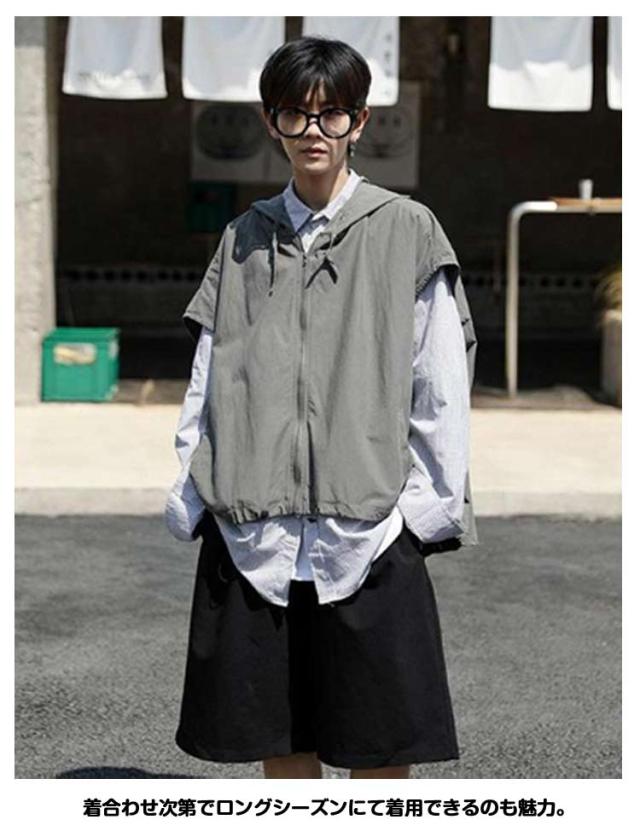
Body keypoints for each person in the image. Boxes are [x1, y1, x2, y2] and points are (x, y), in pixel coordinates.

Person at [165, 35, 479, 780]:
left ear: (359, 121)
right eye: (295, 114)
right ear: (271, 122)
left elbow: (439, 381)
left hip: (367, 529)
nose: (314, 131)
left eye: (332, 114)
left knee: (381, 747)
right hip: (254, 533)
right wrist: (195, 483)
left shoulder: (406, 229)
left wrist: (422, 511)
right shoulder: (243, 238)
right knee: (282, 741)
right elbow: (207, 374)